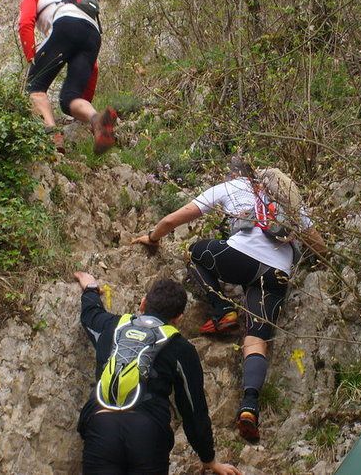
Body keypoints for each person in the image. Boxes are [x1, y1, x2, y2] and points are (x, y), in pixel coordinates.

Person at [131, 157, 326, 443]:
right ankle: (249, 405)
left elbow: (175, 219)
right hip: (277, 275)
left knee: (195, 252)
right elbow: (317, 243)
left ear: (234, 174)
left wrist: (153, 236)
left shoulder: (232, 187)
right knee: (257, 339)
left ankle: (222, 311)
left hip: (240, 260)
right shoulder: (286, 197)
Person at [74, 271, 242, 475]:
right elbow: (193, 409)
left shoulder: (111, 326)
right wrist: (209, 459)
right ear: (178, 318)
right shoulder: (181, 349)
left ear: (143, 303)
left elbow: (90, 314)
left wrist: (91, 288)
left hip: (102, 426)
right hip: (147, 433)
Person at [18, 0, 116, 154]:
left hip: (66, 24)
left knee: (35, 88)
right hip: (94, 37)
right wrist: (84, 99)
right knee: (69, 99)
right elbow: (93, 68)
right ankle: (97, 120)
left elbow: (25, 24)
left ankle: (52, 134)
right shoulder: (83, 8)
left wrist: (31, 58)